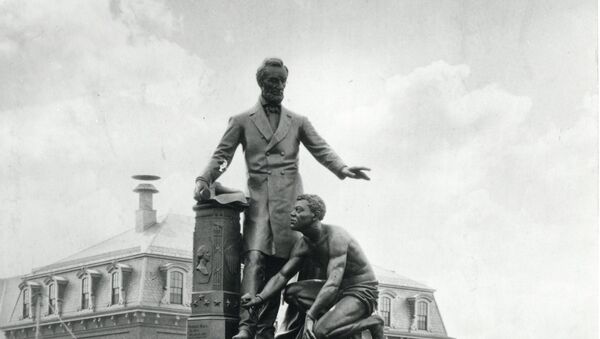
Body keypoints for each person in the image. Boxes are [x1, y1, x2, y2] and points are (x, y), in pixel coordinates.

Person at [194, 58, 370, 339]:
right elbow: (221, 155)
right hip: (260, 205)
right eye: (273, 80)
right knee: (254, 260)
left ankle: (274, 331)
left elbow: (320, 148)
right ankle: (246, 326)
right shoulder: (241, 121)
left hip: (291, 205)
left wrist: (342, 167)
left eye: (282, 81)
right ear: (261, 82)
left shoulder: (298, 121)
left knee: (287, 267)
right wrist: (205, 178)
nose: (278, 86)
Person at [242, 194, 384, 339]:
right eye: (293, 210)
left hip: (361, 291)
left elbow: (333, 284)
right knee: (291, 292)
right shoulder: (303, 244)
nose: (292, 213)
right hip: (339, 291)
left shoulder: (336, 236)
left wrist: (310, 316)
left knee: (319, 332)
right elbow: (282, 276)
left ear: (314, 215)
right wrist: (258, 299)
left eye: (298, 210)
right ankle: (335, 322)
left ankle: (372, 322)